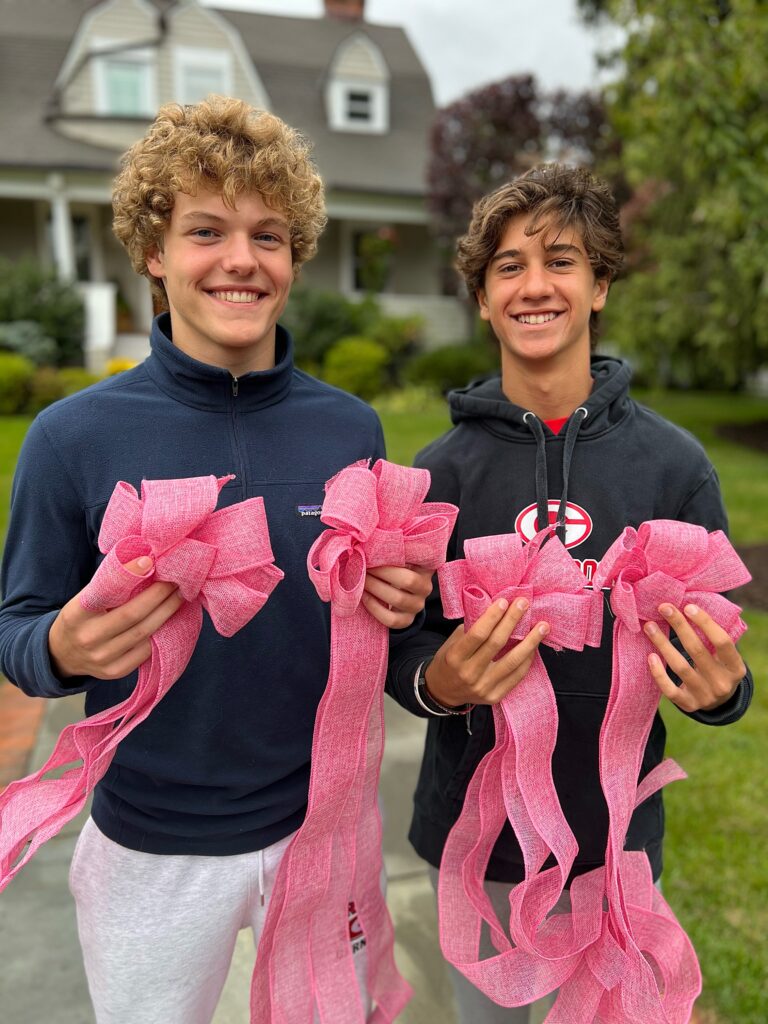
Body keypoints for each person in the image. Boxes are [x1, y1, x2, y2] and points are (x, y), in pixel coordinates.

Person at [0, 96, 433, 1024]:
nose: (242, 259)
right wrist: (63, 651)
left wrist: (394, 597)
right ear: (154, 253)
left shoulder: (348, 426)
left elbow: (370, 615)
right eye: (206, 230)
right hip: (153, 850)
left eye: (269, 235)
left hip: (324, 831)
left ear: (295, 255)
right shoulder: (72, 439)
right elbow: (17, 630)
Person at [385, 163, 753, 1023]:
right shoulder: (436, 475)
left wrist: (725, 694)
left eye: (562, 259)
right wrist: (437, 683)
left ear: (600, 286)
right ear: (481, 297)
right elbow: (401, 646)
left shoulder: (674, 466)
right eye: (508, 266)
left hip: (616, 846)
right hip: (479, 849)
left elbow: (712, 654)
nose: (535, 284)